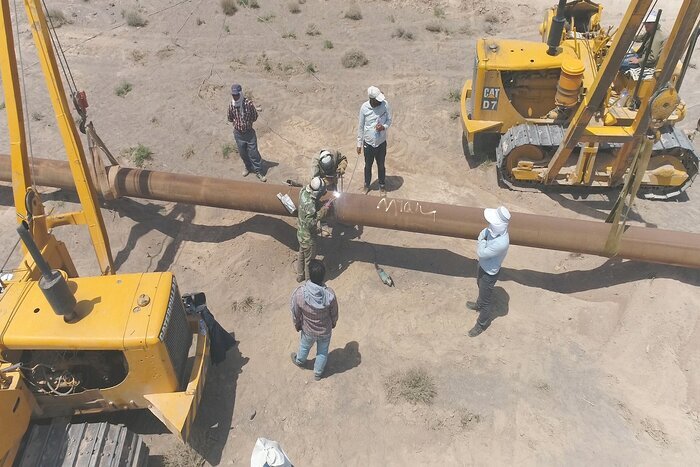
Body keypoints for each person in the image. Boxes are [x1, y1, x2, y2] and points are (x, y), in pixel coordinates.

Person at [290, 259, 339, 381]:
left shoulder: (300, 293)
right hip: (325, 331)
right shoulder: (330, 294)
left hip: (308, 331)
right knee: (322, 352)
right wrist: (333, 322)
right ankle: (318, 373)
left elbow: (295, 312)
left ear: (309, 275)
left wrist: (297, 324)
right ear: (323, 276)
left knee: (304, 346)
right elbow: (334, 312)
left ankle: (300, 361)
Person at [466, 206, 510, 337]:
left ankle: (481, 324)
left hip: (489, 273)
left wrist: (481, 241)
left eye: (493, 222)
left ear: (499, 225)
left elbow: (481, 252)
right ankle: (478, 304)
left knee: (486, 301)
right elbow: (482, 233)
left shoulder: (501, 242)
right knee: (480, 286)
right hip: (482, 266)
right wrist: (482, 240)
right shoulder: (492, 230)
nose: (489, 224)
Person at [227, 83, 266, 182]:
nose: (235, 97)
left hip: (249, 133)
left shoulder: (248, 104)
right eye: (233, 95)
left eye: (236, 95)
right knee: (243, 153)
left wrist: (247, 123)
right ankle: (248, 167)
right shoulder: (231, 105)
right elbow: (230, 118)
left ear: (241, 93)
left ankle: (259, 171)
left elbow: (255, 116)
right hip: (238, 134)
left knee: (253, 153)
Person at [357, 86, 392, 193]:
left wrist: (383, 127)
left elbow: (389, 120)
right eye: (378, 100)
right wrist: (359, 143)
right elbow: (361, 126)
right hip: (368, 144)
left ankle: (382, 185)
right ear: (372, 99)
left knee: (381, 165)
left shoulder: (385, 105)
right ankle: (367, 185)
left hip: (381, 143)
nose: (380, 102)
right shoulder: (364, 108)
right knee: (368, 165)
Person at [296, 176, 330, 282]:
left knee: (301, 254)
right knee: (309, 262)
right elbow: (311, 223)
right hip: (308, 237)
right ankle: (308, 282)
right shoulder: (310, 205)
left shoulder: (303, 191)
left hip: (300, 234)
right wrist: (324, 210)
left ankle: (300, 276)